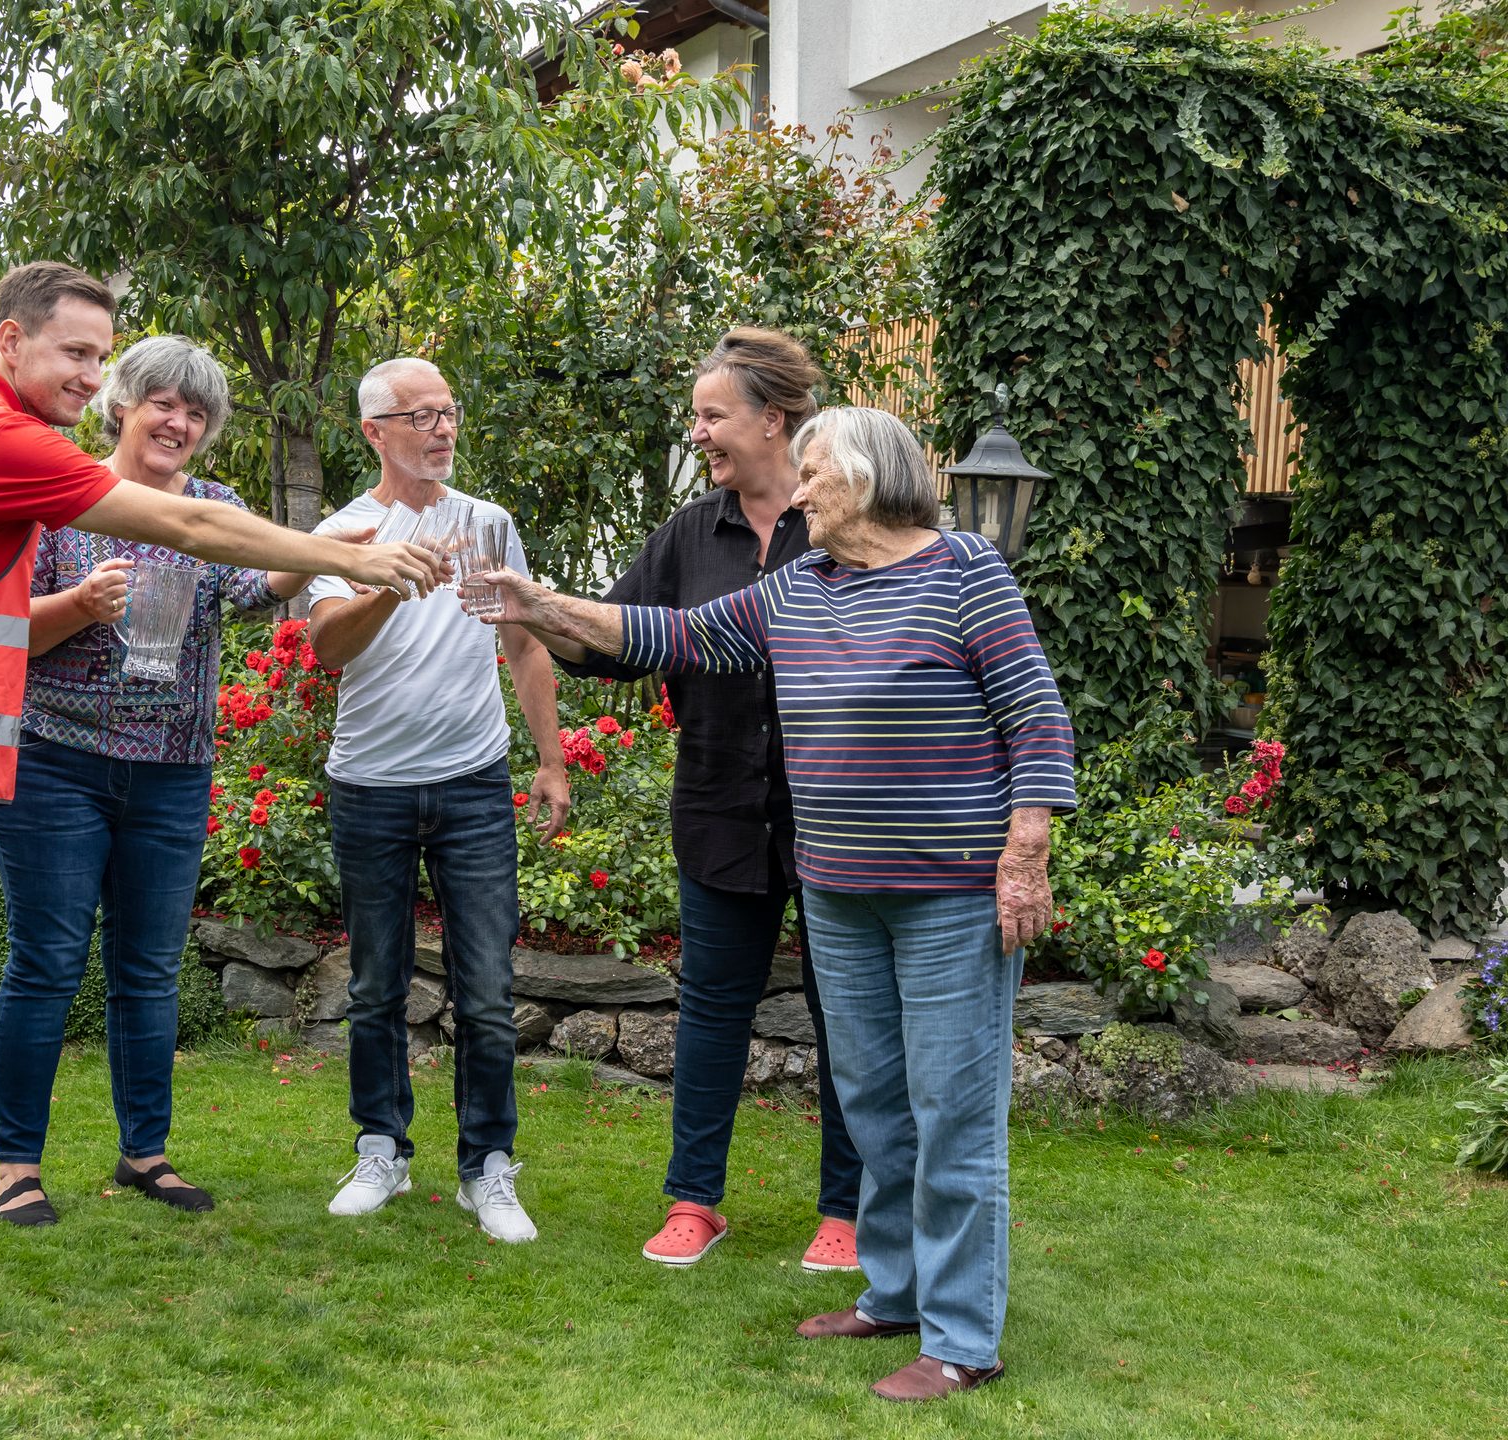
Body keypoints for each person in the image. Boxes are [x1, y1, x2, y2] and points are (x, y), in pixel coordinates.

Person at [0, 263, 442, 1350]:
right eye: (76, 354)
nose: (93, 375)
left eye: (99, 353)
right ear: (9, 343)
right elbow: (192, 533)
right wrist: (338, 548)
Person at [468, 405, 1075, 1402]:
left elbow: (1034, 713)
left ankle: (963, 1339)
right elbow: (672, 634)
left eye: (815, 475)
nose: (798, 495)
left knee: (952, 1116)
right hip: (838, 891)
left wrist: (1025, 852)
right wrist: (541, 605)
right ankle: (895, 1293)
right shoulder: (800, 588)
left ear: (872, 478)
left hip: (952, 894)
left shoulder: (967, 572)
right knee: (874, 1103)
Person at [535, 328, 863, 1270]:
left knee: (846, 1014)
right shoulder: (690, 532)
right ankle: (693, 1203)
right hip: (719, 805)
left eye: (713, 415)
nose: (701, 434)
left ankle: (845, 1212)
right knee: (714, 1009)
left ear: (774, 420)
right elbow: (621, 637)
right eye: (697, 417)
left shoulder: (841, 519)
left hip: (837, 815)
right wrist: (542, 616)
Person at [0, 336, 322, 1226]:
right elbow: (3, 634)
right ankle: (17, 1163)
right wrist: (76, 605)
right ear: (122, 404)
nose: (180, 421)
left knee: (149, 970)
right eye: (164, 402)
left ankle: (147, 1155)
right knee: (46, 964)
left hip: (173, 774)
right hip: (55, 763)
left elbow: (260, 584)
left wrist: (330, 550)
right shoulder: (61, 498)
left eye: (197, 411)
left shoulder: (215, 507)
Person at [306, 357, 570, 1243]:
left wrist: (549, 759)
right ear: (375, 431)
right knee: (378, 983)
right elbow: (327, 649)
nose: (443, 429)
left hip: (472, 784)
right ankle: (382, 1147)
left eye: (450, 412)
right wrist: (393, 580)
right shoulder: (344, 532)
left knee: (488, 987)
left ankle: (487, 1169)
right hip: (371, 786)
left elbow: (527, 647)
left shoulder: (489, 524)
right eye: (421, 416)